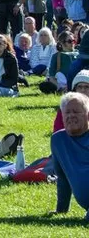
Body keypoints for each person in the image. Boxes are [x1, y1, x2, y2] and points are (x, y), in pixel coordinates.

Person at [51, 91, 89, 220]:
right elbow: (63, 178)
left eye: (76, 112)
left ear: (87, 115)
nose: (71, 116)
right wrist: (61, 209)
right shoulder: (58, 140)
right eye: (67, 112)